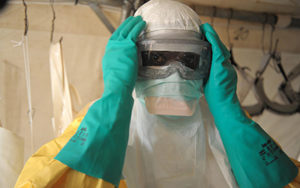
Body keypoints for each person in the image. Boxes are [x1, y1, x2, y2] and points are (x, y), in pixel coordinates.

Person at [15, 0, 299, 187]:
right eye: (158, 59)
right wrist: (115, 99)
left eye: (188, 61)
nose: (174, 73)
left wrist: (229, 113)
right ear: (132, 64)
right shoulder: (102, 123)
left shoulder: (233, 129)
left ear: (207, 65)